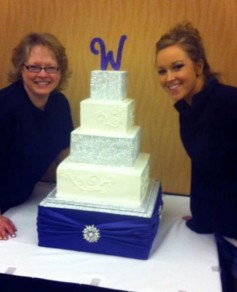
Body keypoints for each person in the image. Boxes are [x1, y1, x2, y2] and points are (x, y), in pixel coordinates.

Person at [155, 22, 237, 292]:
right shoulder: (187, 110)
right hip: (219, 229)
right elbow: (204, 166)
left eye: (177, 67)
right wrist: (202, 215)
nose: (169, 78)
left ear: (199, 66)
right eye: (162, 71)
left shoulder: (229, 103)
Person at [0, 33, 73, 240]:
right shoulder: (3, 106)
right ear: (20, 68)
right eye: (34, 67)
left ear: (60, 71)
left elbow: (65, 155)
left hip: (22, 203)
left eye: (50, 67)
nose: (43, 74)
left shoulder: (59, 104)